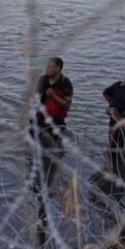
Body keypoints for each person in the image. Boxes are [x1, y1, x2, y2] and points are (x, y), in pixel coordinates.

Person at [33, 57, 73, 187]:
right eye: (47, 67)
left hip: (56, 121)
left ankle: (51, 174)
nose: (47, 69)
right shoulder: (43, 79)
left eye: (50, 67)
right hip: (40, 118)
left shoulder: (65, 83)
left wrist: (53, 96)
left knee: (52, 150)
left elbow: (67, 105)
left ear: (58, 68)